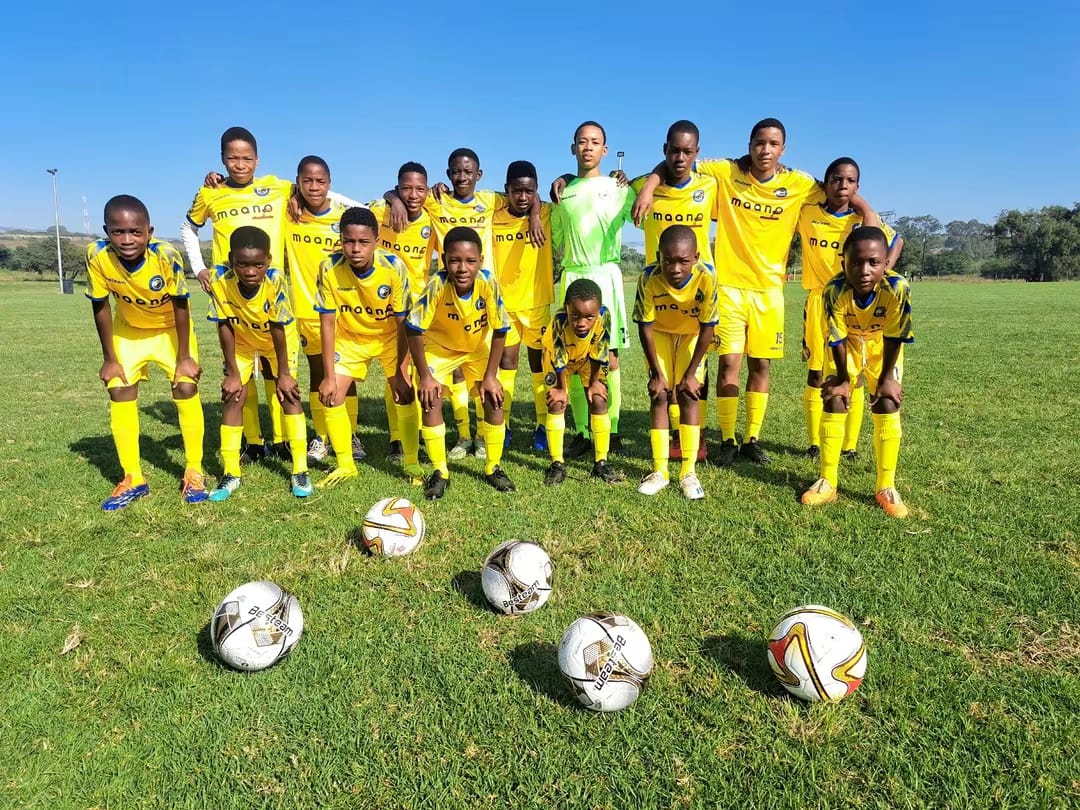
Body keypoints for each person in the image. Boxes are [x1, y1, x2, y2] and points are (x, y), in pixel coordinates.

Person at [633, 118, 877, 466]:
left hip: (770, 291)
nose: (765, 150)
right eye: (759, 143)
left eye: (773, 144)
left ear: (783, 150)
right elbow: (678, 163)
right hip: (729, 287)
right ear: (749, 144)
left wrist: (866, 210)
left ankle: (751, 438)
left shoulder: (798, 183)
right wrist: (649, 185)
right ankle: (727, 439)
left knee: (761, 365)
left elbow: (839, 190)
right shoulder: (725, 172)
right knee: (729, 363)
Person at [386, 148, 543, 461]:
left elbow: (527, 194)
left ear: (479, 175)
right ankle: (462, 435)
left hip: (482, 294)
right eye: (456, 172)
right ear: (447, 174)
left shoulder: (490, 200)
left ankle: (485, 436)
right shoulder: (436, 200)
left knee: (485, 372)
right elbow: (405, 192)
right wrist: (394, 199)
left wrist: (536, 215)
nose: (461, 178)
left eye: (468, 172)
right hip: (447, 291)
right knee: (454, 370)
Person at [85, 195, 208, 510]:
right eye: (118, 232)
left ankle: (194, 471)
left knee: (185, 386)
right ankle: (133, 478)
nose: (127, 240)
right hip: (129, 331)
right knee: (119, 390)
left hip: (170, 330)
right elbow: (100, 305)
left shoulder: (166, 255)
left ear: (149, 232)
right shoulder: (97, 255)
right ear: (107, 231)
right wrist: (110, 358)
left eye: (135, 232)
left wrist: (184, 356)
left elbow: (181, 305)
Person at [800, 227, 913, 518]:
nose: (864, 270)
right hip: (847, 345)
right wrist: (842, 379)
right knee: (834, 399)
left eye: (873, 262)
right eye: (856, 262)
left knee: (887, 402)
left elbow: (895, 336)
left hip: (881, 347)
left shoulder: (897, 288)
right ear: (844, 263)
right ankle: (827, 481)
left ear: (886, 263)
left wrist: (886, 379)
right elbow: (836, 338)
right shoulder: (834, 290)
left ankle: (886, 487)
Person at [796, 157, 903, 459]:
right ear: (826, 183)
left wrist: (883, 270)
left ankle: (849, 446)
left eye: (850, 181)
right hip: (819, 300)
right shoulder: (807, 212)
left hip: (852, 302)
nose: (842, 185)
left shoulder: (863, 221)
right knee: (816, 373)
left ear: (857, 186)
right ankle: (815, 443)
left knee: (854, 375)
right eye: (836, 179)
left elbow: (896, 240)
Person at [313, 207, 420, 488]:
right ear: (340, 240)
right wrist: (328, 375)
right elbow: (327, 324)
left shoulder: (394, 267)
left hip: (389, 339)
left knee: (405, 394)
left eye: (363, 242)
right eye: (349, 241)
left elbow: (403, 324)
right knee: (332, 395)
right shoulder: (328, 268)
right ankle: (345, 465)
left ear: (376, 241)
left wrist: (401, 371)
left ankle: (411, 463)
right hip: (350, 340)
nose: (356, 249)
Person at [629, 119, 717, 460]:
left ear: (697, 153)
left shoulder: (710, 185)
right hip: (660, 287)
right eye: (674, 150)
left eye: (687, 152)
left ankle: (695, 437)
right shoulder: (642, 186)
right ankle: (668, 446)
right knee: (662, 380)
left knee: (696, 375)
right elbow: (604, 187)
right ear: (664, 150)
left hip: (697, 290)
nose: (680, 158)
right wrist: (649, 184)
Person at [406, 227, 513, 499]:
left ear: (481, 261)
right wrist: (425, 376)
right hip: (440, 349)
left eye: (470, 261)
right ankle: (440, 471)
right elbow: (413, 329)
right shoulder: (437, 284)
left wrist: (491, 377)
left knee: (494, 398)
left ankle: (493, 467)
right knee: (430, 397)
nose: (463, 268)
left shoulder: (487, 282)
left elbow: (501, 329)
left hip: (476, 348)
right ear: (444, 260)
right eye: (455, 260)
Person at [205, 226, 311, 501]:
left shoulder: (275, 280)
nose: (250, 271)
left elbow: (278, 327)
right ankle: (231, 472)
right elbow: (224, 325)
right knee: (233, 396)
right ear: (232, 260)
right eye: (242, 264)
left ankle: (300, 470)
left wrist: (283, 373)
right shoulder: (220, 279)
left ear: (268, 261)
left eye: (258, 265)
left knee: (289, 395)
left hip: (277, 342)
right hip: (241, 340)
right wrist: (232, 372)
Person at [550, 121, 636, 457]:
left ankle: (610, 429)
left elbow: (644, 215)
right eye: (582, 141)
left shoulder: (619, 187)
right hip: (572, 276)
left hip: (606, 277)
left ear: (605, 149)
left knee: (609, 359)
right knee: (573, 359)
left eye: (595, 142)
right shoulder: (563, 193)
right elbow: (556, 238)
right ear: (573, 148)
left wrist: (635, 182)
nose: (588, 147)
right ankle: (583, 433)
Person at [283, 155, 362, 465]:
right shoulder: (288, 214)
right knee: (318, 373)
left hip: (343, 311)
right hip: (307, 310)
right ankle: (321, 436)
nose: (314, 187)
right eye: (306, 181)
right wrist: (292, 195)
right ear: (297, 182)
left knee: (345, 374)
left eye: (320, 181)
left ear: (330, 183)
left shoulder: (342, 216)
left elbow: (366, 212)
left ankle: (351, 433)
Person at [633, 225, 718, 499]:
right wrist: (656, 373)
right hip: (659, 334)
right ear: (659, 256)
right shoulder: (648, 277)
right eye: (668, 261)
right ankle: (660, 471)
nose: (675, 268)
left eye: (683, 261)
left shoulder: (707, 277)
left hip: (692, 335)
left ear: (696, 257)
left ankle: (688, 473)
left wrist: (691, 374)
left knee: (689, 394)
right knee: (659, 394)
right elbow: (645, 327)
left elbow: (707, 328)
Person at [367, 162, 435, 463]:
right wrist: (391, 199)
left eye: (420, 189)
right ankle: (396, 437)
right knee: (395, 372)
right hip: (384, 308)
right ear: (397, 188)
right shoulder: (379, 212)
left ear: (428, 191)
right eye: (406, 188)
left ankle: (417, 431)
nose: (413, 195)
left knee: (419, 372)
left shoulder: (432, 219)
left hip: (419, 310)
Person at [491, 160, 555, 453]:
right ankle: (503, 424)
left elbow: (563, 184)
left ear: (536, 190)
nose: (523, 197)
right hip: (504, 305)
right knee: (507, 365)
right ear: (507, 190)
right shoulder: (493, 213)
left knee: (540, 365)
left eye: (529, 192)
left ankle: (542, 424)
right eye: (516, 191)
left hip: (536, 304)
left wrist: (535, 215)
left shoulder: (545, 212)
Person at [540, 279, 623, 486]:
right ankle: (557, 463)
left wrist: (595, 382)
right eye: (575, 315)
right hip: (559, 362)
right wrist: (561, 389)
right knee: (557, 402)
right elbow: (559, 359)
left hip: (587, 359)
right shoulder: (559, 321)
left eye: (589, 317)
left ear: (598, 310)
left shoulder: (605, 316)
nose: (581, 323)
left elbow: (600, 352)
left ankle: (601, 462)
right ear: (566, 308)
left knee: (598, 398)